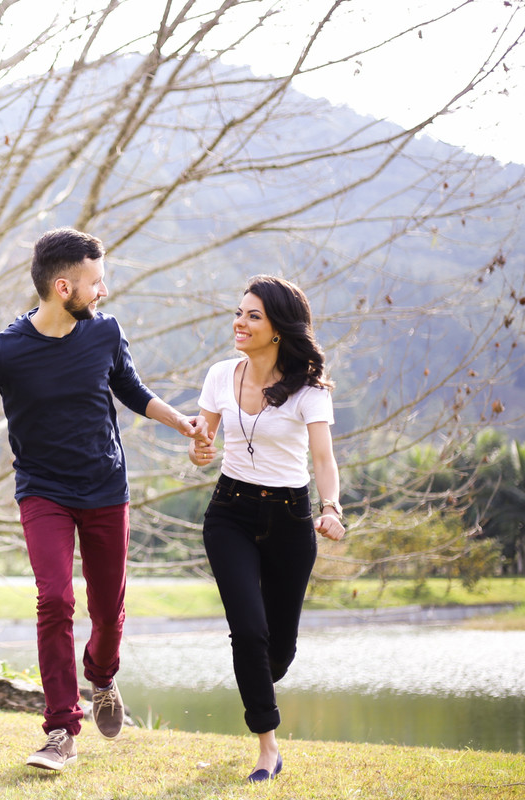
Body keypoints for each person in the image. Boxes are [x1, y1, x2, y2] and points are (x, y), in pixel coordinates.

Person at [0, 227, 207, 771]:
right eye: (95, 282)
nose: (103, 291)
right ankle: (61, 730)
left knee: (108, 613)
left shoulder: (105, 333)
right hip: (43, 492)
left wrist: (181, 422)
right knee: (54, 599)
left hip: (105, 488)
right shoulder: (7, 349)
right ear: (63, 287)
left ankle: (101, 676)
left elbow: (130, 388)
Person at [187, 275, 346, 783]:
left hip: (290, 519)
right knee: (248, 632)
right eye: (239, 312)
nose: (240, 322)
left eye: (253, 316)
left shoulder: (308, 389)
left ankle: (258, 675)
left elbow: (323, 458)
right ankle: (267, 748)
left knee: (277, 651)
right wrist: (199, 448)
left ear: (278, 329)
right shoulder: (220, 375)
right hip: (229, 513)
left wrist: (331, 508)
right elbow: (203, 441)